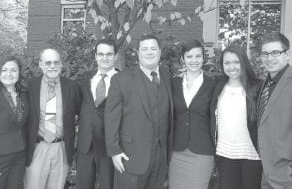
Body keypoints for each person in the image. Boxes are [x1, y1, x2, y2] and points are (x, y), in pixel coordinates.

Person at [104, 34, 173, 189]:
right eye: (145, 49)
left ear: (160, 52)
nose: (149, 52)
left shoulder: (167, 76)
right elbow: (111, 118)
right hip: (130, 155)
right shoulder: (121, 79)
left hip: (160, 158)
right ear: (138, 52)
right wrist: (114, 151)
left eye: (153, 48)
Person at [24, 48, 81, 189]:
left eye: (56, 62)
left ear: (61, 64)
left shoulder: (72, 86)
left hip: (61, 148)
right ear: (40, 64)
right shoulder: (28, 86)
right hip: (37, 148)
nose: (52, 66)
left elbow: (83, 113)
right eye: (48, 62)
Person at [210, 45, 262, 189]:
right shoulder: (217, 86)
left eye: (236, 62)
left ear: (243, 62)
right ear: (222, 65)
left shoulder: (257, 87)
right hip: (225, 154)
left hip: (252, 156)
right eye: (227, 63)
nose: (231, 67)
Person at [168, 40, 216, 189]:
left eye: (198, 56)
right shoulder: (173, 84)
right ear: (183, 59)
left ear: (203, 58)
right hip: (176, 150)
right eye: (189, 57)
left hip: (202, 151)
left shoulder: (213, 84)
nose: (194, 60)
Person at [76, 39, 117, 189]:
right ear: (95, 56)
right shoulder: (86, 77)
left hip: (110, 145)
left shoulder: (124, 80)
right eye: (100, 54)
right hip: (85, 144)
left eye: (109, 54)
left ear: (116, 56)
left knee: (109, 185)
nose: (104, 58)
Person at [257, 32, 292, 189]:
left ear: (288, 54)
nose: (269, 58)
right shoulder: (268, 83)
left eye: (275, 53)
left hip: (286, 175)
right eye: (265, 53)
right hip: (268, 171)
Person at [0, 56, 28, 189]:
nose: (9, 74)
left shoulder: (23, 94)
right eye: (4, 70)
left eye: (13, 70)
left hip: (20, 154)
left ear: (19, 73)